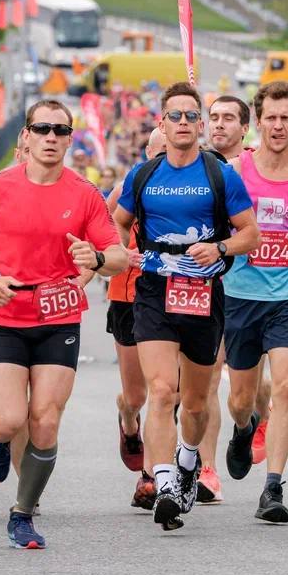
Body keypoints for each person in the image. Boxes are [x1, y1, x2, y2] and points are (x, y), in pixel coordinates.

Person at [0, 99, 128, 549]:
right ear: (24, 137)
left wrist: (98, 259)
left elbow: (120, 255)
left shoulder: (83, 193)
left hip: (58, 316)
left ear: (69, 139)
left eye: (60, 131)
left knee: (44, 421)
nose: (51, 138)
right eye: (41, 129)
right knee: (9, 421)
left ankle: (22, 514)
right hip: (7, 315)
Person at [112, 82, 258, 530]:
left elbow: (250, 234)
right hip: (154, 290)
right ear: (161, 122)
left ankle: (189, 458)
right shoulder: (143, 175)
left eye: (191, 117)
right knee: (161, 392)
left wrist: (220, 249)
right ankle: (165, 482)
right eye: (174, 116)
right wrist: (125, 254)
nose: (182, 124)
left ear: (200, 125)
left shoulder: (220, 176)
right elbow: (116, 223)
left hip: (203, 294)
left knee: (195, 404)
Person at [221, 81, 288, 523]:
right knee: (240, 398)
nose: (279, 125)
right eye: (271, 117)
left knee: (285, 386)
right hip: (239, 296)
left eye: (287, 117)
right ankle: (244, 428)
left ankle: (273, 488)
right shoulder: (234, 171)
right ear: (258, 121)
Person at [199, 93, 263, 503]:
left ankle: (251, 421)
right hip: (207, 283)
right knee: (205, 375)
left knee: (249, 389)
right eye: (214, 117)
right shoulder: (195, 165)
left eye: (228, 119)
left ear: (245, 127)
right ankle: (207, 470)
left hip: (255, 288)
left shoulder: (259, 166)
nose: (218, 125)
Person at [105, 129, 166, 510]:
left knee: (166, 391)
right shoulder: (133, 182)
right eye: (158, 151)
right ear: (147, 153)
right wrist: (118, 251)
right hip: (127, 295)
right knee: (137, 395)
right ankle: (128, 419)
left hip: (174, 295)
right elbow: (107, 228)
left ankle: (151, 476)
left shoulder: (198, 183)